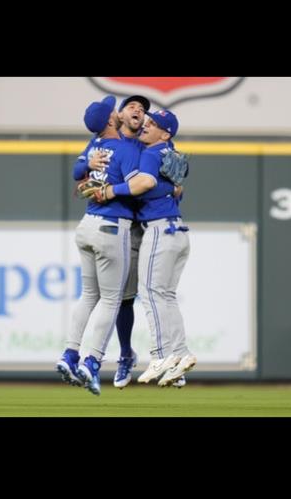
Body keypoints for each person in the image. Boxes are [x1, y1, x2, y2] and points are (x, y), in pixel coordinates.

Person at [87, 109, 196, 388]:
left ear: (166, 133)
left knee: (150, 293)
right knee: (167, 296)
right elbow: (174, 179)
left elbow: (145, 182)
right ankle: (180, 354)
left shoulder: (150, 153)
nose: (147, 126)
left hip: (160, 229)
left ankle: (160, 355)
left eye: (154, 124)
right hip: (178, 230)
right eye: (147, 121)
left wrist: (111, 191)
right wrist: (170, 188)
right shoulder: (168, 150)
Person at [55, 95, 141, 396]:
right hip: (110, 227)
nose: (118, 111)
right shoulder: (125, 149)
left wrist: (88, 170)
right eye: (112, 111)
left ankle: (69, 353)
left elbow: (77, 176)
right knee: (111, 300)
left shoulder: (94, 146)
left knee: (89, 295)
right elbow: (135, 190)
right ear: (109, 120)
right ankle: (91, 362)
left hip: (86, 225)